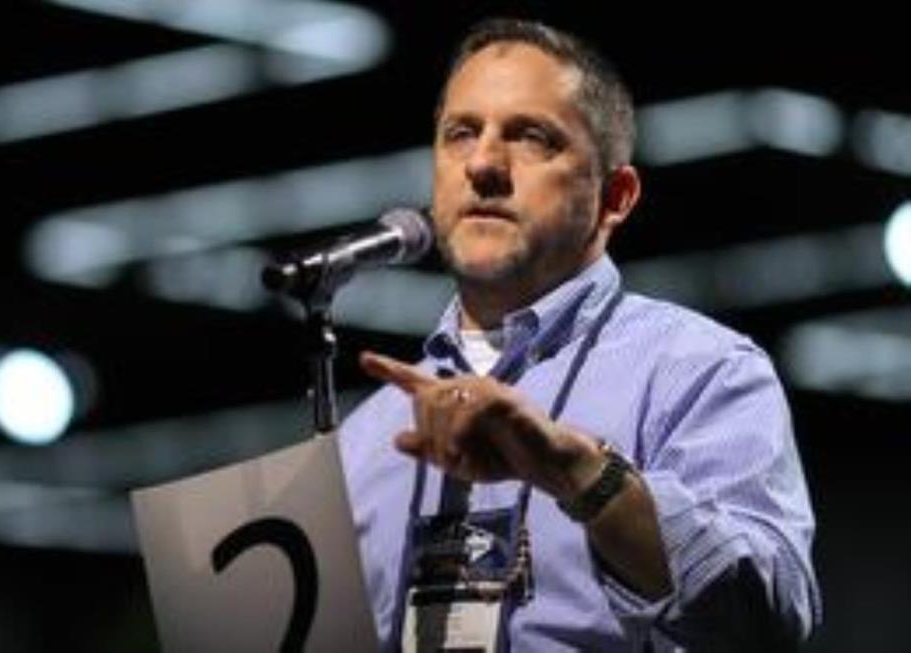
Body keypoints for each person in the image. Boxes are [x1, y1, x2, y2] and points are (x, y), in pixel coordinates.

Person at [339, 17, 820, 652]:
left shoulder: (701, 371)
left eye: (531, 137)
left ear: (615, 196)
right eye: (461, 133)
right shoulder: (364, 439)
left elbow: (769, 618)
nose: (482, 163)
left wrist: (577, 472)